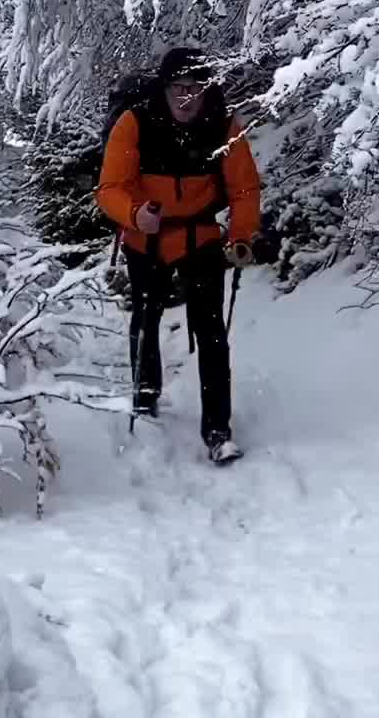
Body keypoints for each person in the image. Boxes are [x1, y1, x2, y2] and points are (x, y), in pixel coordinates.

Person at [96, 48, 262, 463]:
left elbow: (244, 188)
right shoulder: (134, 123)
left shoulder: (223, 127)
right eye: (178, 89)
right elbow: (110, 187)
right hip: (145, 236)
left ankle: (218, 430)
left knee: (211, 332)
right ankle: (145, 399)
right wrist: (135, 214)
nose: (187, 98)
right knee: (146, 319)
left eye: (195, 89)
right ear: (164, 90)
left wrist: (241, 235)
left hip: (201, 235)